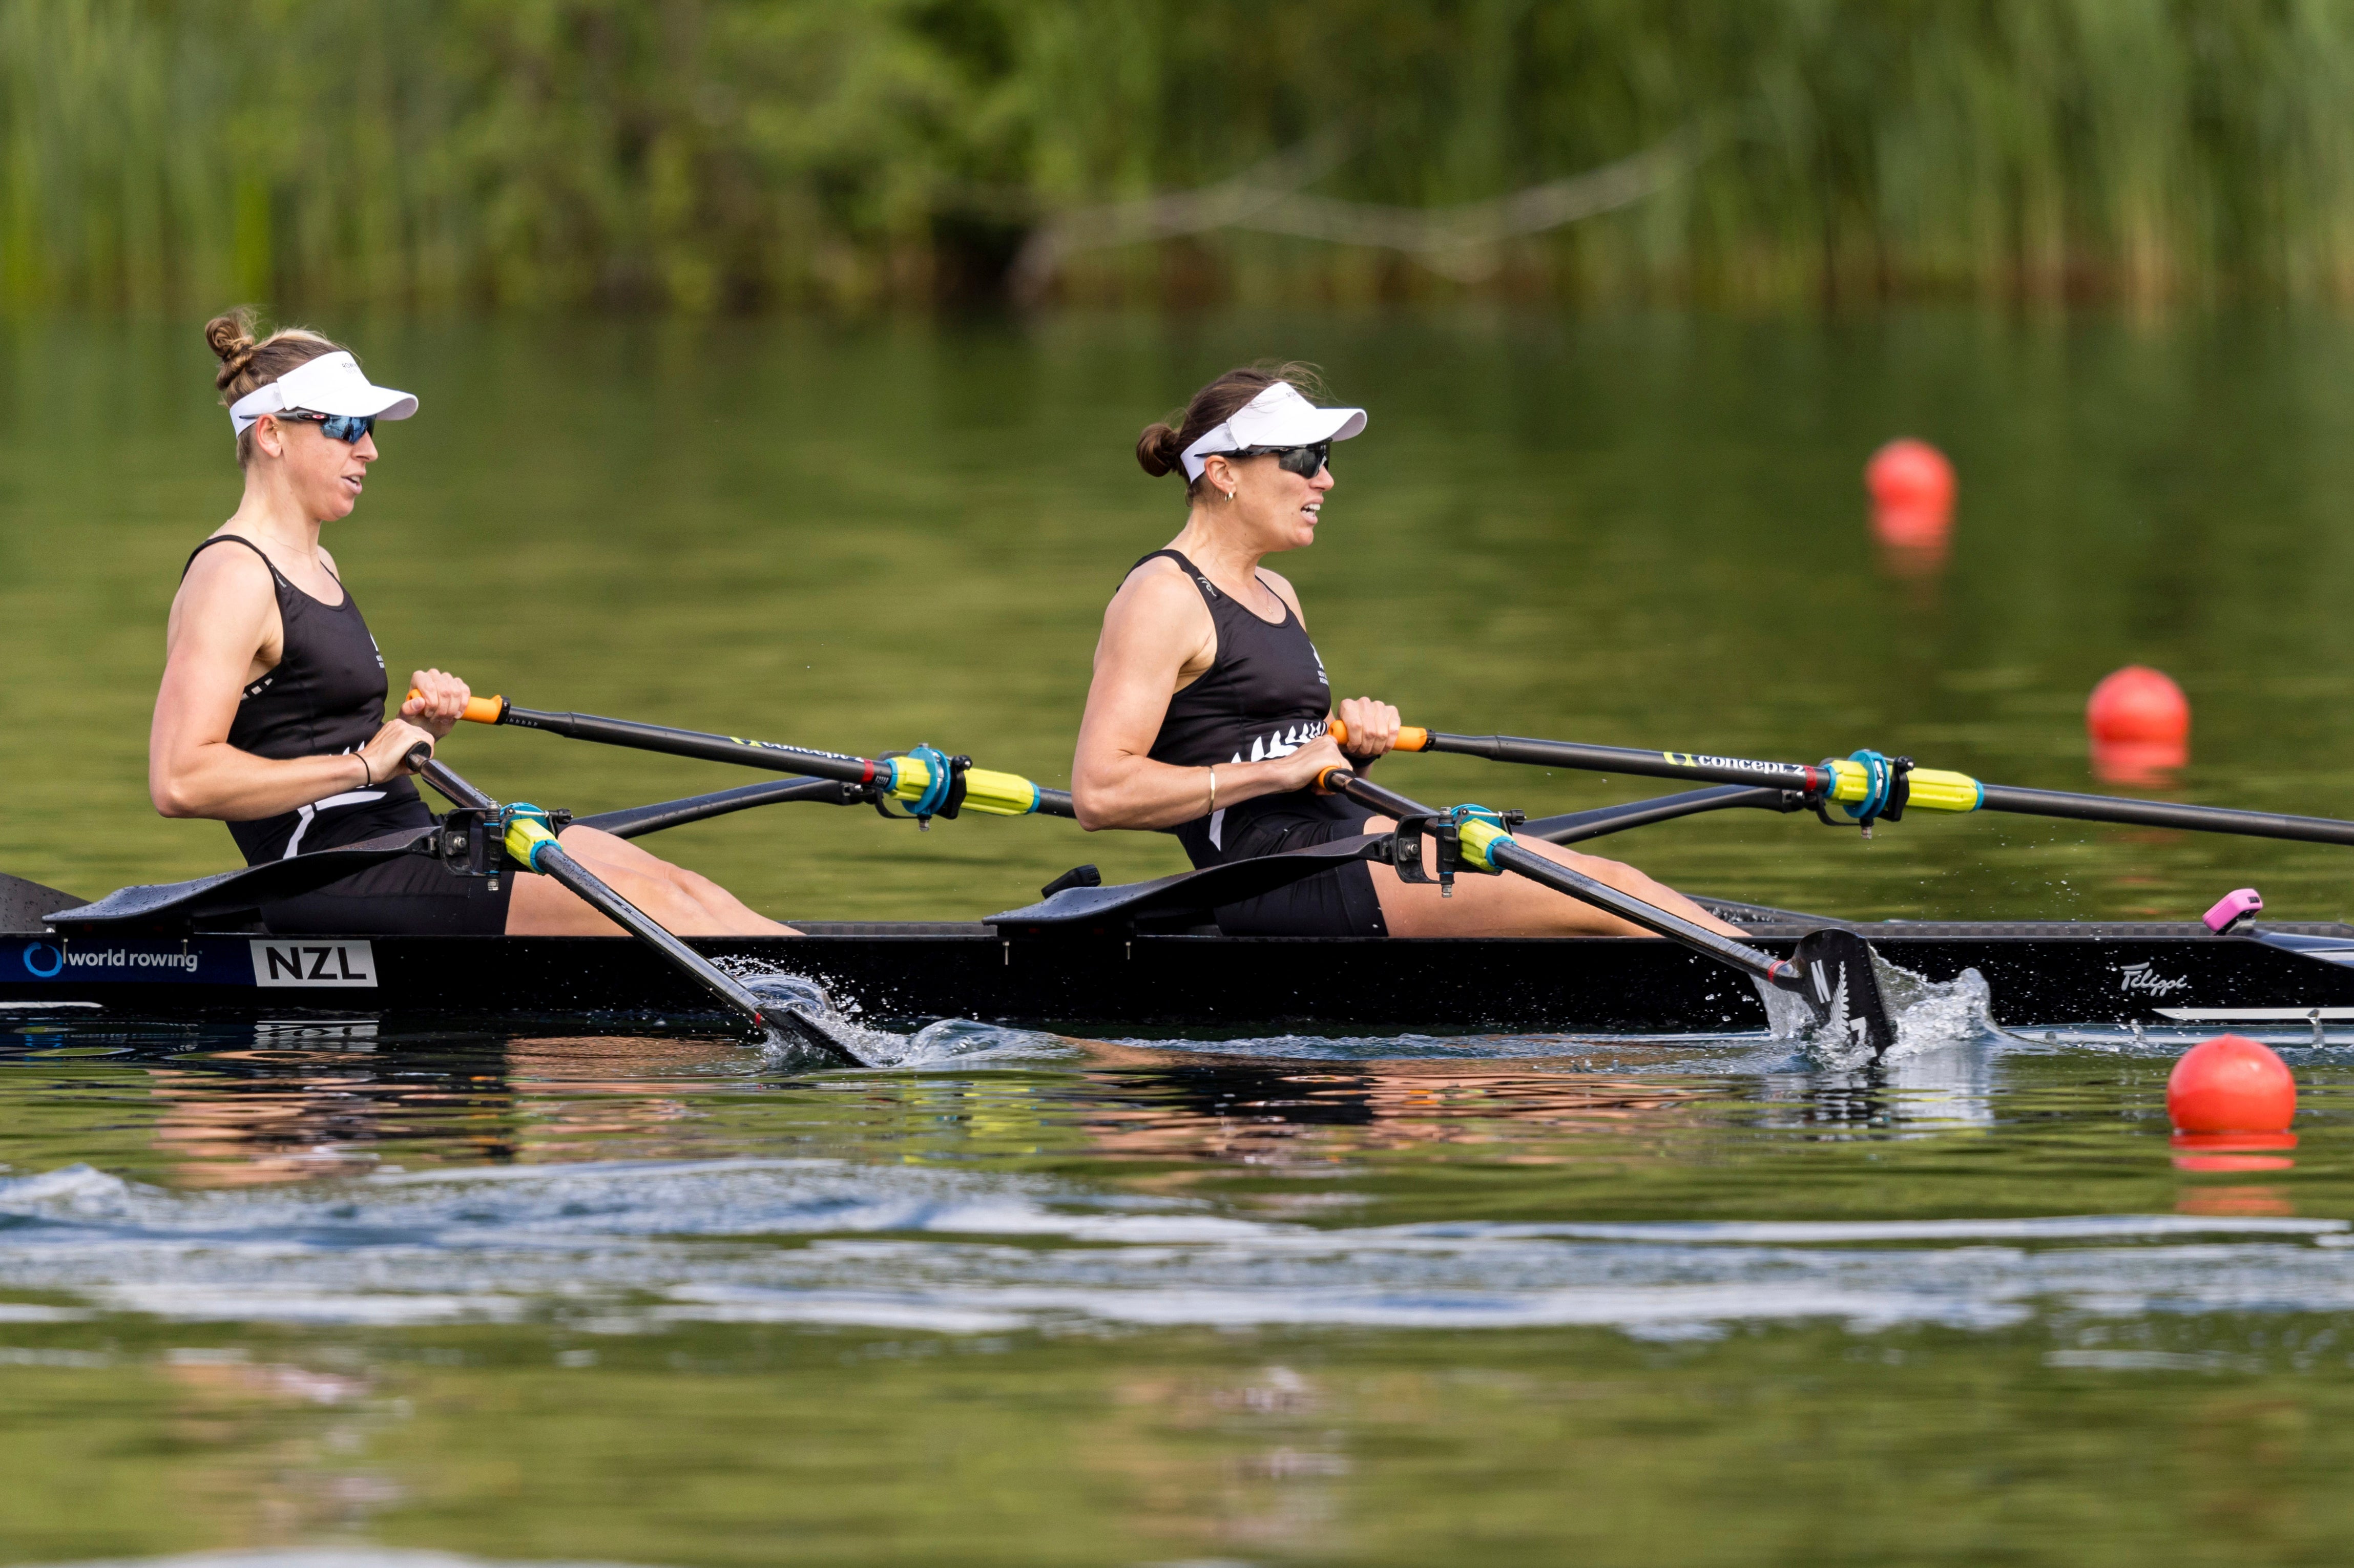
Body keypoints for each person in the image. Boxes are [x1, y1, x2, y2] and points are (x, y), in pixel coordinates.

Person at [149, 310, 791, 938]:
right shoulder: (232, 575)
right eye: (346, 427)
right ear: (271, 435)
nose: (369, 449)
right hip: (326, 877)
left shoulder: (318, 561)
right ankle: (827, 1010)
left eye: (368, 427)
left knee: (680, 887)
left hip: (406, 840)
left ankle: (832, 980)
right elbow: (180, 779)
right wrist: (368, 767)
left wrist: (412, 733)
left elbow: (316, 735)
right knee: (652, 909)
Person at [1071, 363, 1742, 939]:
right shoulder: (1161, 596)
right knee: (1606, 889)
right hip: (1274, 875)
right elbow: (1101, 791)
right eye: (1304, 458)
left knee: (1605, 910)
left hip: (1342, 835)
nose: (1325, 481)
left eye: (1326, 459)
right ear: (1224, 473)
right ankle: (1795, 984)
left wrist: (1346, 745)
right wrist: (1278, 772)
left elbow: (1276, 745)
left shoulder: (1275, 591)